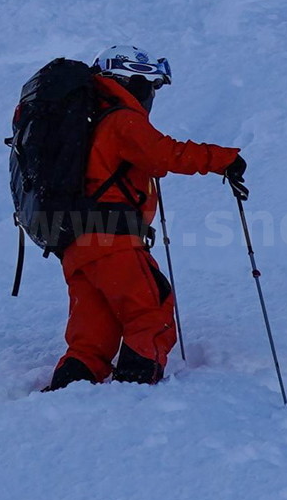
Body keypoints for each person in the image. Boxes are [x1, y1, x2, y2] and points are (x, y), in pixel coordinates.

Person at [44, 46, 247, 391]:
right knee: (151, 310)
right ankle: (136, 394)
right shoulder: (120, 118)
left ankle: (66, 395)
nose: (151, 94)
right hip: (113, 241)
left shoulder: (86, 122)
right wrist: (224, 160)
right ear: (131, 81)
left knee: (92, 336)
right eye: (150, 85)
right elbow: (165, 153)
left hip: (74, 245)